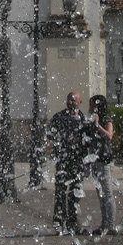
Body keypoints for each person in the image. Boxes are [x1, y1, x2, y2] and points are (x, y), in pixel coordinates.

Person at [47, 91, 88, 233]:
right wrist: (65, 138)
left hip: (78, 162)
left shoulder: (84, 119)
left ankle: (72, 223)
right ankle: (59, 223)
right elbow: (49, 133)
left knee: (75, 192)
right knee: (60, 192)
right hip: (63, 161)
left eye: (74, 100)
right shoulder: (59, 117)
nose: (71, 102)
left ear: (80, 102)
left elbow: (88, 138)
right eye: (69, 99)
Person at [85, 93, 117, 234]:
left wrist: (98, 125)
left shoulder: (106, 120)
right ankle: (103, 225)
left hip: (104, 161)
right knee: (101, 194)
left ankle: (111, 225)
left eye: (92, 104)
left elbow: (109, 136)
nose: (90, 107)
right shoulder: (92, 120)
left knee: (108, 193)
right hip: (95, 161)